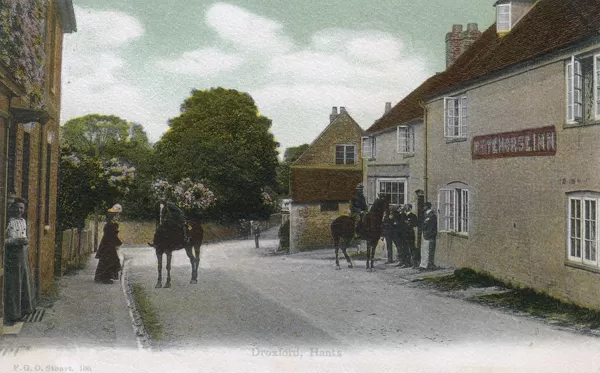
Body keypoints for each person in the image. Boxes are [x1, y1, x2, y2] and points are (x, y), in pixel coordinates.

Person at [4, 198, 36, 324]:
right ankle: (12, 315)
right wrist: (17, 241)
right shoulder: (8, 222)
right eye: (17, 207)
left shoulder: (23, 221)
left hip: (22, 256)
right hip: (11, 257)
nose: (19, 210)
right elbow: (4, 241)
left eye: (21, 208)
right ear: (12, 208)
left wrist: (25, 241)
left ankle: (22, 312)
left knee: (23, 283)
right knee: (13, 285)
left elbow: (25, 237)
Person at [94, 204, 123, 284]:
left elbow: (111, 234)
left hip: (108, 243)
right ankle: (102, 278)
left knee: (107, 260)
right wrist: (118, 242)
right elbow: (111, 235)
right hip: (108, 244)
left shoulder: (110, 223)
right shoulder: (111, 224)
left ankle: (102, 277)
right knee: (108, 260)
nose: (118, 216)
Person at [419, 202, 438, 271]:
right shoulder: (425, 215)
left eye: (424, 206)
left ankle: (429, 265)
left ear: (427, 207)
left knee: (429, 251)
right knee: (424, 250)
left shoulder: (432, 215)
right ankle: (423, 265)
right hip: (425, 234)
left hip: (429, 235)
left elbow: (432, 227)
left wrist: (428, 235)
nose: (423, 207)